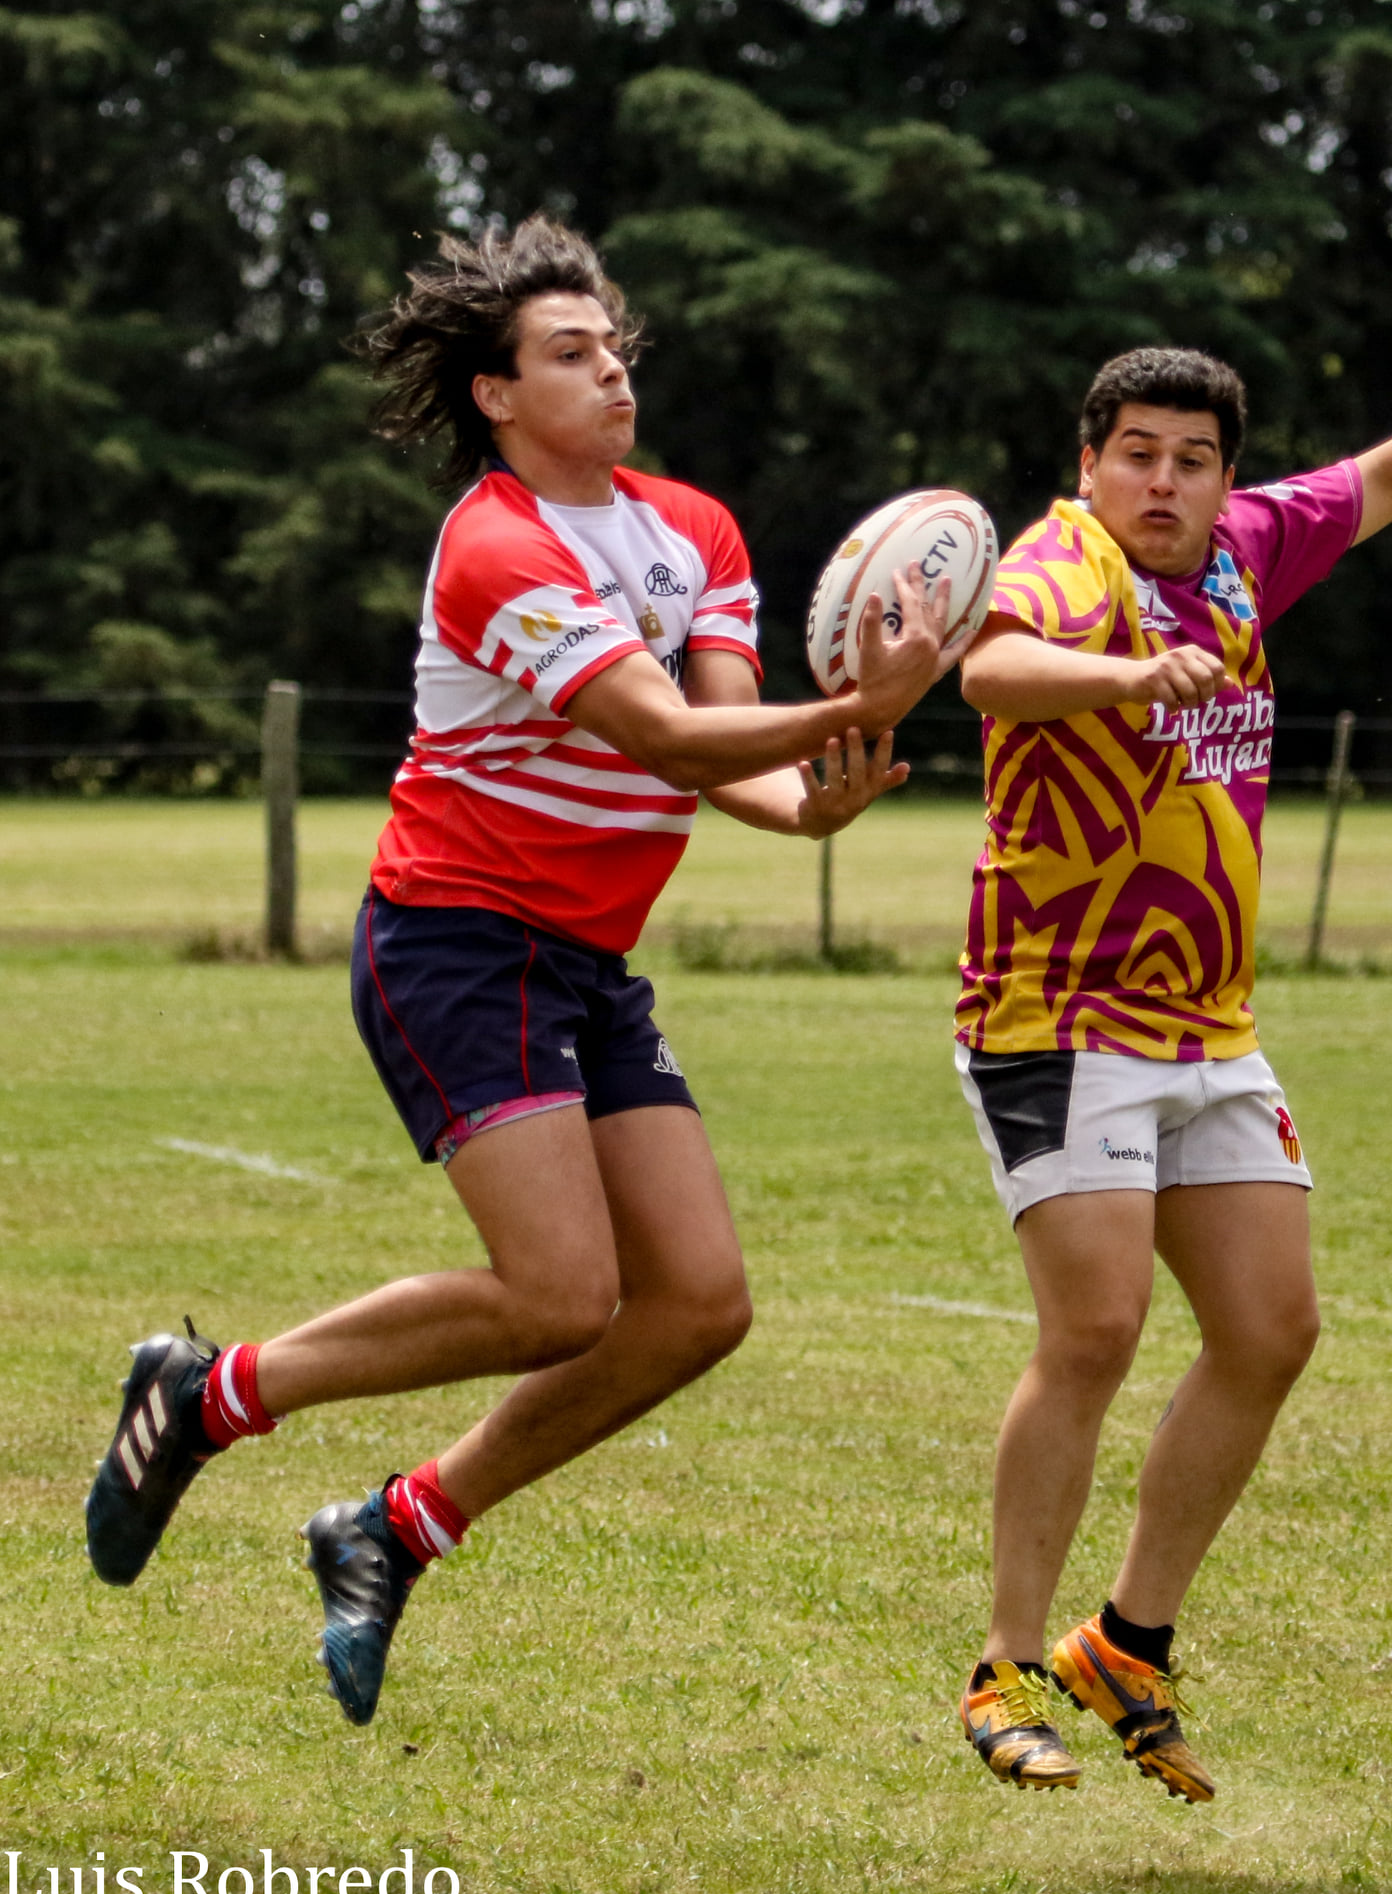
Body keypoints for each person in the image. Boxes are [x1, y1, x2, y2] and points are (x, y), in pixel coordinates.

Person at [85, 214, 953, 1725]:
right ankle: (208, 1393)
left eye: (614, 345)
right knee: (560, 1294)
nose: (611, 369)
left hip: (588, 964)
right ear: (495, 392)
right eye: (570, 352)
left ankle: (394, 1525)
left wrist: (815, 795)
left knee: (695, 1306)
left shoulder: (697, 529)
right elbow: (667, 732)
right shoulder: (496, 545)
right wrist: (851, 709)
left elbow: (721, 765)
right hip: (457, 942)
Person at [951, 334, 1392, 1795]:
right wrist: (1119, 676)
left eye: (1191, 457)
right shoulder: (1062, 564)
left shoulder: (1247, 548)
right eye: (1135, 450)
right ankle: (1004, 1671)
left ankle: (1125, 1642)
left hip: (1207, 1025)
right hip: (1053, 1015)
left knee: (1270, 1330)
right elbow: (992, 670)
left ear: (1223, 476)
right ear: (1090, 463)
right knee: (1096, 1330)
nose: (1161, 479)